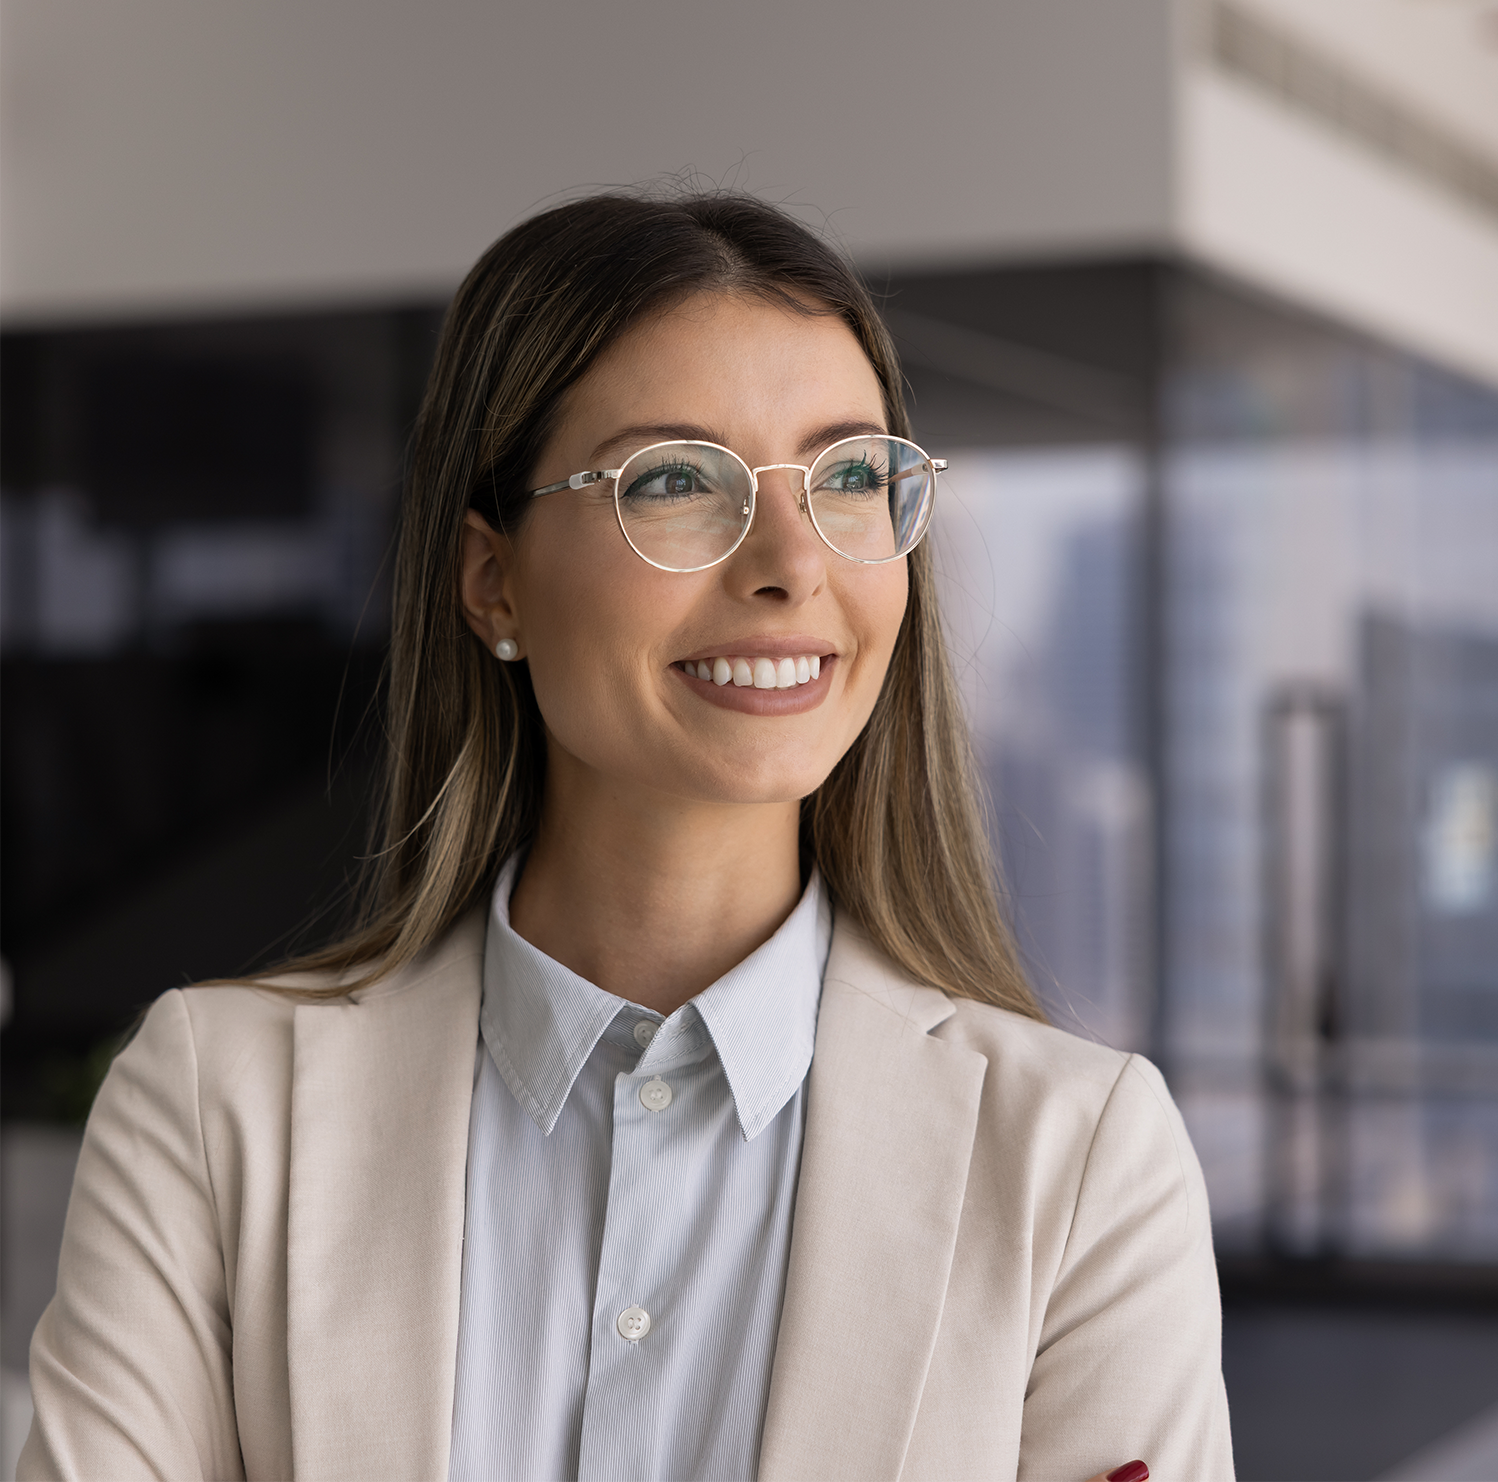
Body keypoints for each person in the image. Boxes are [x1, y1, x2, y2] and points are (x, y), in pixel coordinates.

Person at [20, 191, 1233, 1482]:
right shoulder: (218, 1110)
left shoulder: (1080, 1158)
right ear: (493, 581)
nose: (790, 564)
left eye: (850, 478)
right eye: (673, 481)